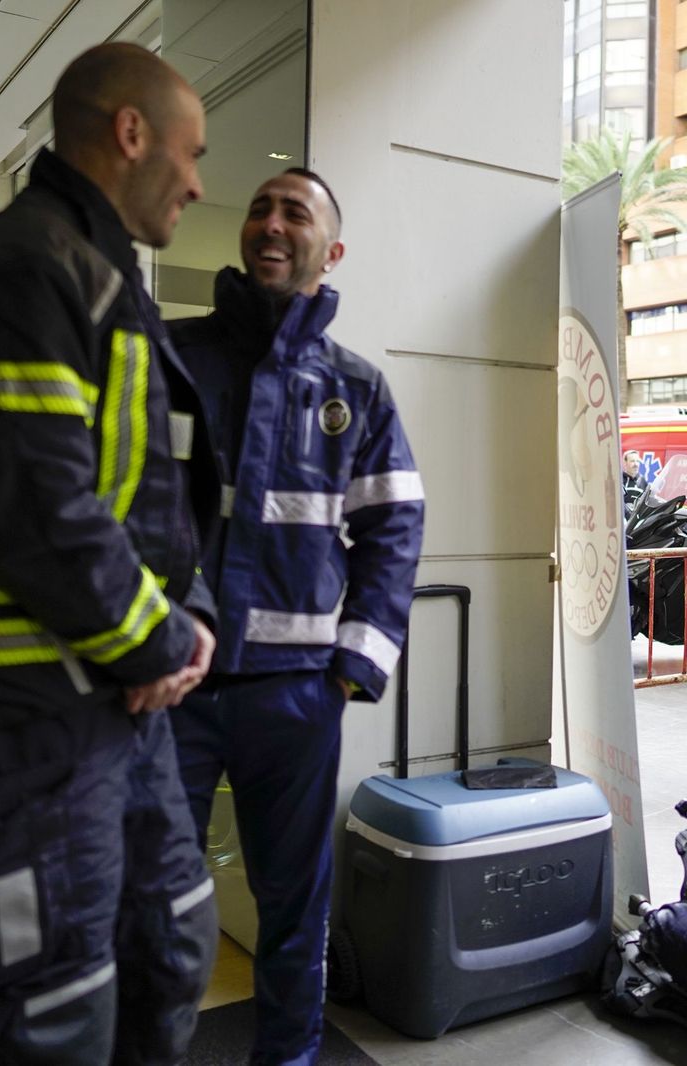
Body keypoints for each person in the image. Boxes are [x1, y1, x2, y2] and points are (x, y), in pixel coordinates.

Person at [0, 43, 222, 1065]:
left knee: (165, 950)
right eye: (190, 153)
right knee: (36, 1025)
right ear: (130, 132)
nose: (198, 182)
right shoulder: (27, 268)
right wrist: (160, 646)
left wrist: (176, 630)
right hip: (4, 734)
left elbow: (133, 507)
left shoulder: (93, 272)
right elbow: (36, 506)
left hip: (97, 707)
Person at [168, 168, 425, 1065]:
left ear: (331, 249)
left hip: (295, 700)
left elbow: (394, 529)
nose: (271, 224)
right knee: (146, 902)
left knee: (293, 911)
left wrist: (350, 669)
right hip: (172, 690)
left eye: (296, 213)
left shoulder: (357, 389)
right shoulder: (172, 358)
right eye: (259, 208)